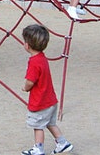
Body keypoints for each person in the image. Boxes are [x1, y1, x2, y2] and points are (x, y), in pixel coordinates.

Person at [20, 24, 74, 155]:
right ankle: (62, 143)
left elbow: (30, 81)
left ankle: (38, 148)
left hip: (40, 102)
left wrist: (25, 87)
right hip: (50, 100)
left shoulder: (34, 62)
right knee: (50, 123)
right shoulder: (42, 58)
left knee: (38, 126)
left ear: (27, 45)